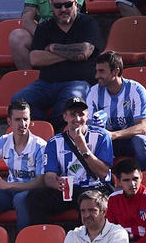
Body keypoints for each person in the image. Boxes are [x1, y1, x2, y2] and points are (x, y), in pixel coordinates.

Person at [14, 0, 101, 124]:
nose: (63, 9)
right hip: (46, 83)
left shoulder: (87, 23)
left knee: (69, 106)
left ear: (76, 4)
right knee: (18, 102)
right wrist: (72, 53)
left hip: (78, 82)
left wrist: (52, 48)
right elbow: (34, 58)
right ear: (51, 6)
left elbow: (83, 52)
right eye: (58, 5)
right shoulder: (45, 27)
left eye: (68, 4)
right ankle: (45, 129)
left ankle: (59, 136)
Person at [32, 98, 115, 229]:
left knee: (89, 204)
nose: (77, 118)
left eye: (81, 114)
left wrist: (83, 147)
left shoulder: (101, 136)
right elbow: (49, 177)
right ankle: (45, 235)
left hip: (93, 188)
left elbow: (103, 172)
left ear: (87, 115)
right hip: (68, 189)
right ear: (65, 117)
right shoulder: (54, 142)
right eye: (72, 114)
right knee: (35, 196)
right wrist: (55, 183)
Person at [0, 101, 47, 229]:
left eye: (25, 119)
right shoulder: (5, 141)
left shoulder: (40, 146)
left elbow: (40, 182)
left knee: (20, 200)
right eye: (17, 119)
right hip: (9, 192)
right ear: (9, 121)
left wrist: (8, 185)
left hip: (31, 192)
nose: (23, 124)